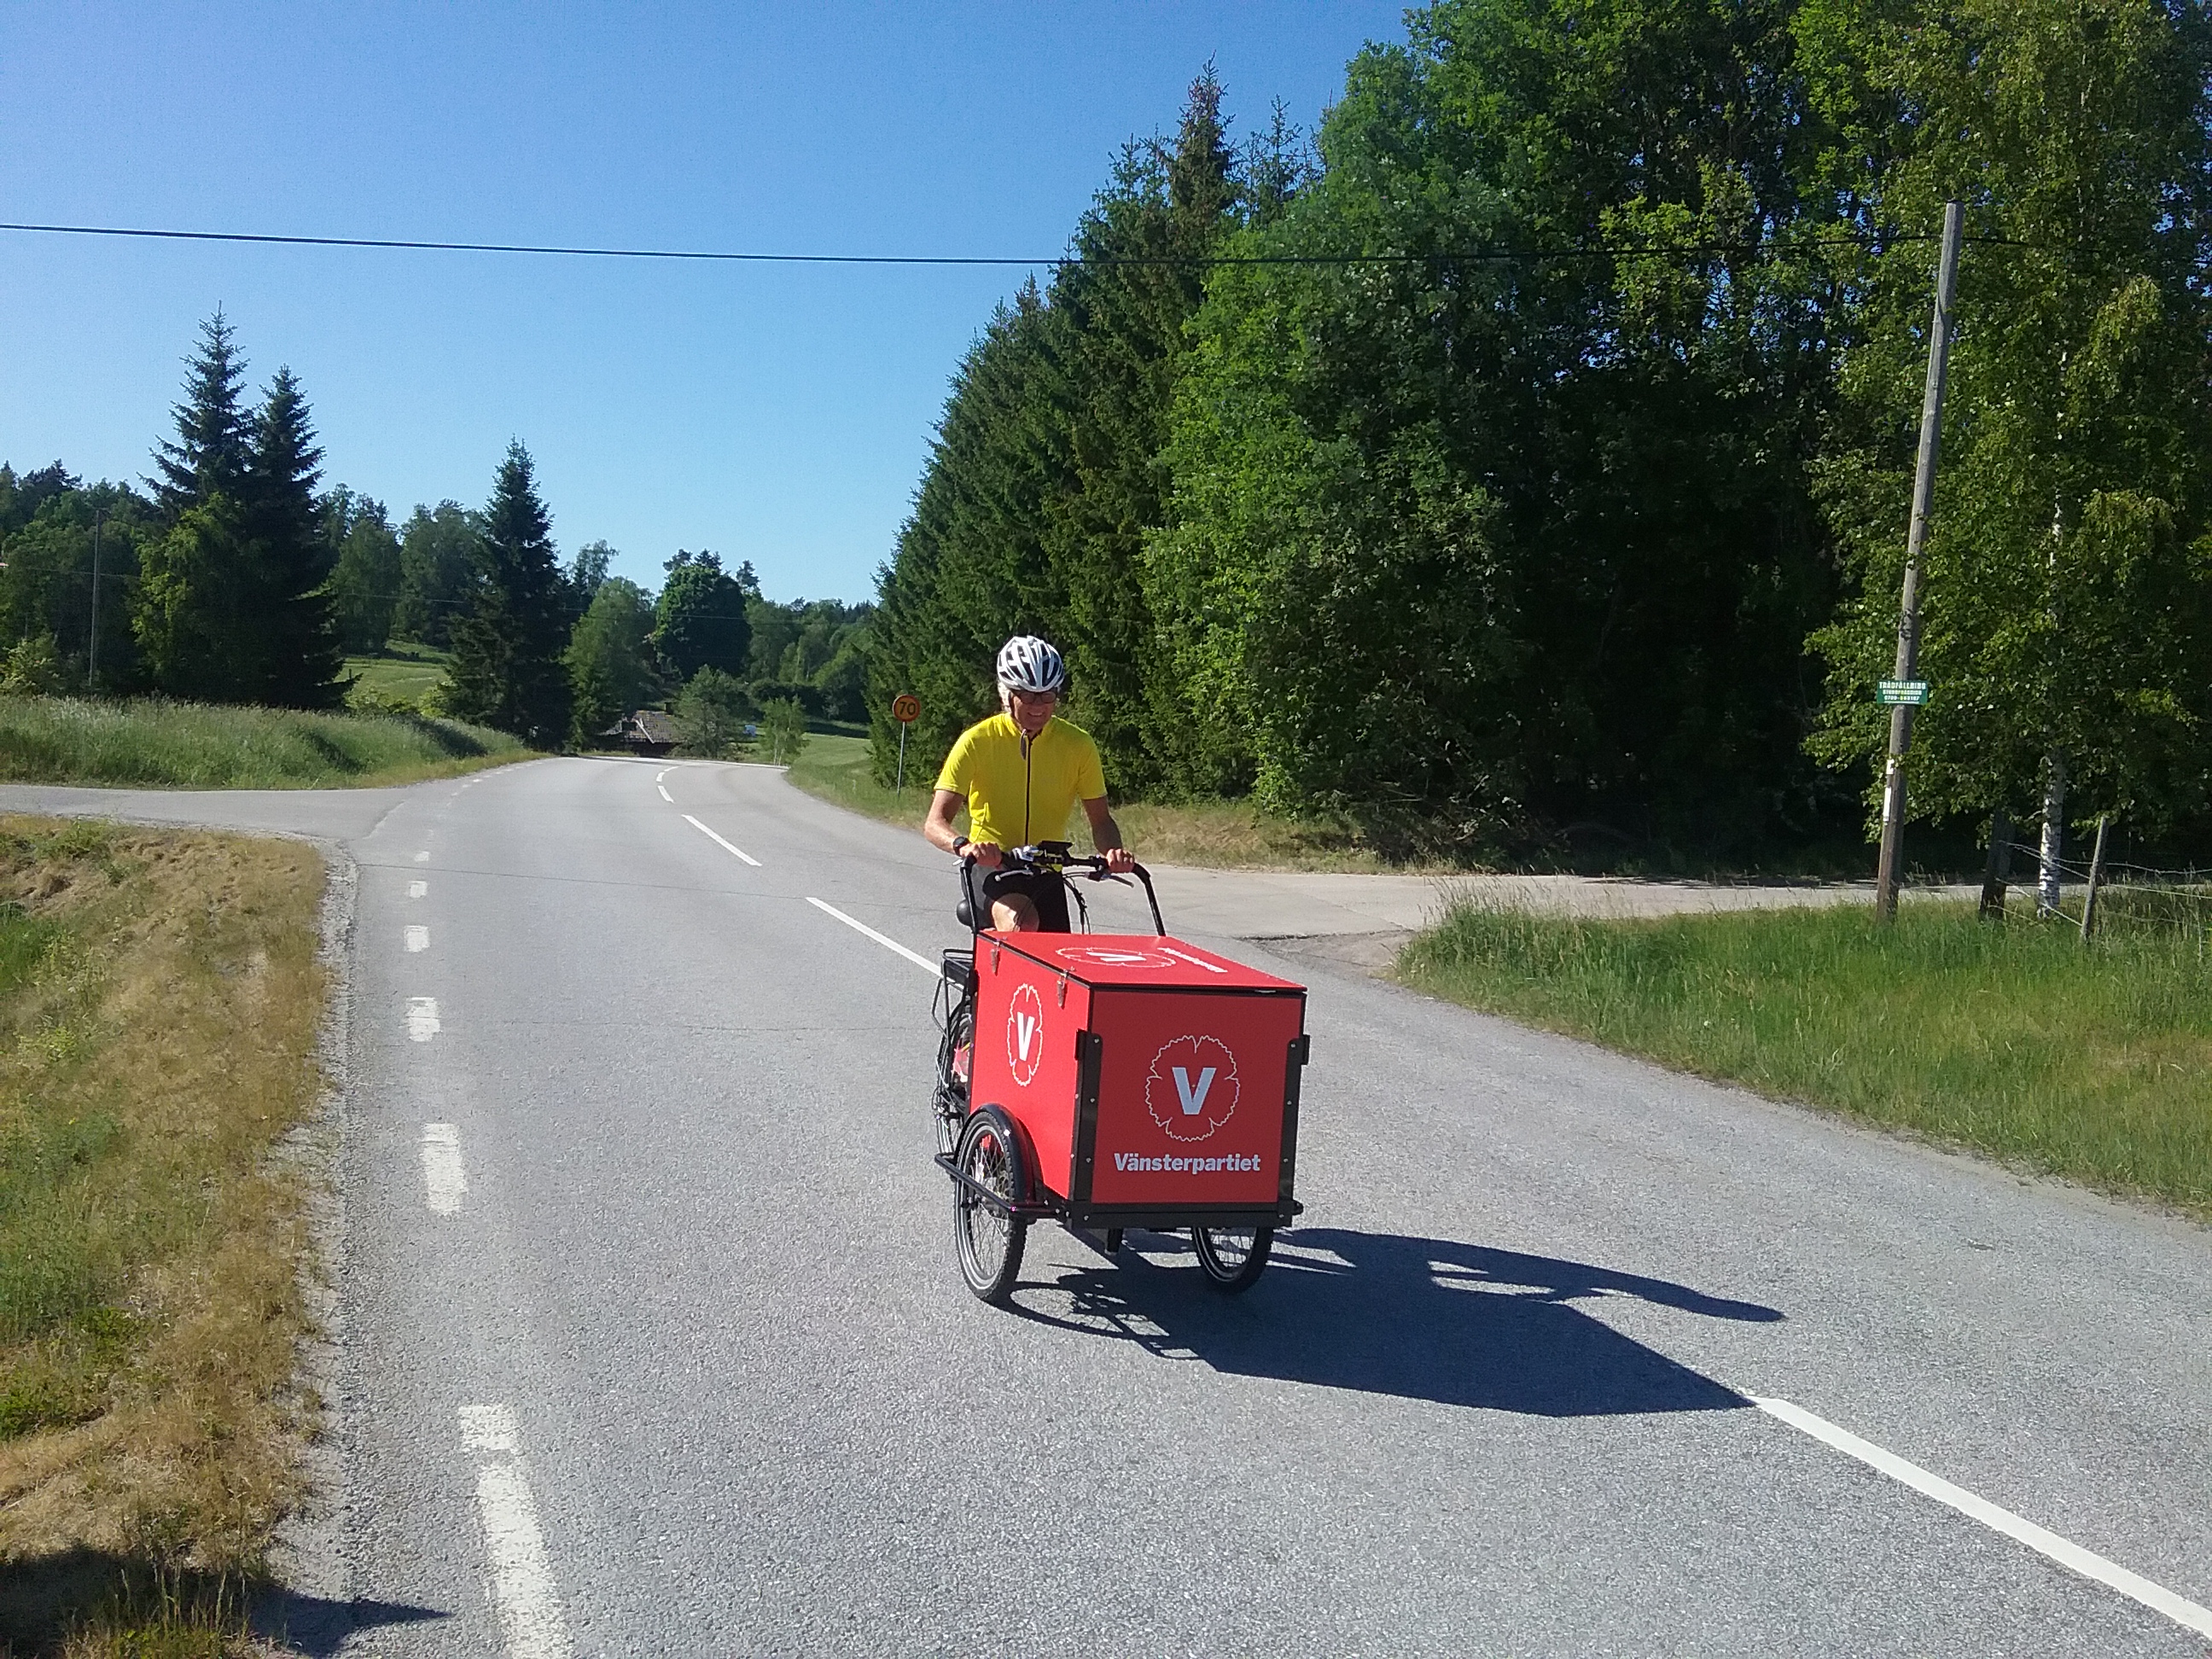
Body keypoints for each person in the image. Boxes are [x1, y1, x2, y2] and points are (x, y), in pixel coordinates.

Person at [923, 635, 1135, 931]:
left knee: (1060, 955)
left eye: (1047, 696)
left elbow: (1101, 820)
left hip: (1046, 871)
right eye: (1027, 695)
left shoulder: (1078, 745)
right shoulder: (977, 741)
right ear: (1006, 695)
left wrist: (1113, 852)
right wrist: (965, 847)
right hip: (992, 867)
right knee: (1023, 922)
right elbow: (935, 823)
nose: (1038, 705)